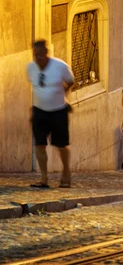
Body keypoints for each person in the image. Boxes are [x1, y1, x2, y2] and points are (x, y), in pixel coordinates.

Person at [27, 40, 74, 188]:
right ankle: (44, 179)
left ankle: (66, 173)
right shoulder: (31, 68)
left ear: (46, 53)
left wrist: (61, 94)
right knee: (40, 145)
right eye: (35, 55)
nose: (38, 58)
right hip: (39, 111)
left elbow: (71, 81)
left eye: (40, 55)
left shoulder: (60, 66)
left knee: (61, 145)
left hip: (59, 110)